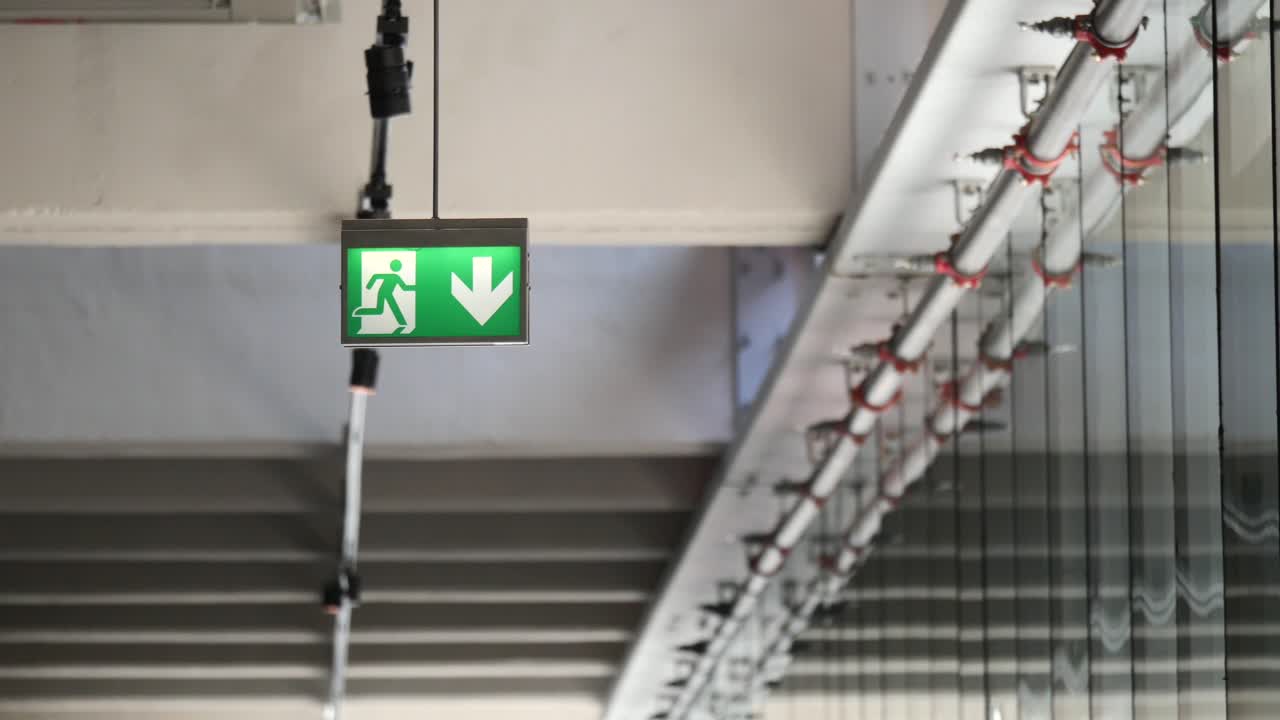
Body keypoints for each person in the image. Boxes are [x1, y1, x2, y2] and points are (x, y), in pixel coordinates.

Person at [353, 259, 412, 331]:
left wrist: (415, 287)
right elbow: (376, 276)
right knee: (384, 309)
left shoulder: (396, 277)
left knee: (379, 310)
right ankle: (402, 323)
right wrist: (369, 286)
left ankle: (360, 312)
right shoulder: (393, 276)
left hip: (387, 293)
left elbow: (404, 287)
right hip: (383, 293)